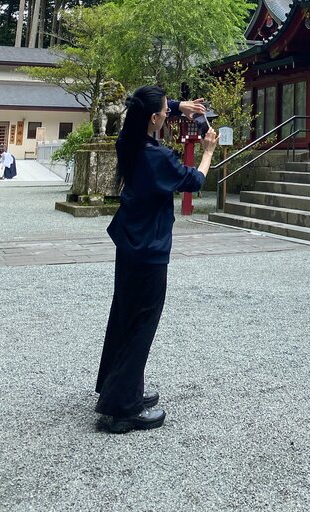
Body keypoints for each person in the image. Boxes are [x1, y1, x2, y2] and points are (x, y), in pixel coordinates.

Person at [94, 85, 219, 434]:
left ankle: (116, 386)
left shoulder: (129, 142)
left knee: (124, 315)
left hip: (129, 240)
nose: (169, 113)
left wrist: (182, 106)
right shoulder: (157, 158)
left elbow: (143, 104)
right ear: (153, 118)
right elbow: (193, 181)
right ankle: (122, 408)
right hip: (150, 247)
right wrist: (208, 150)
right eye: (166, 110)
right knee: (143, 322)